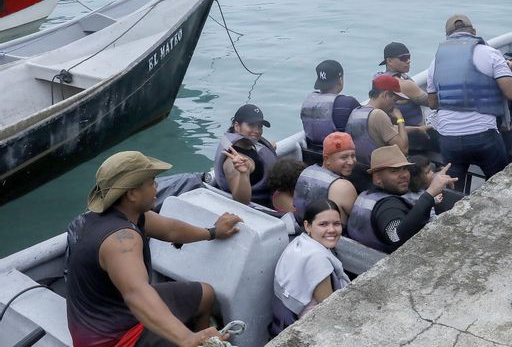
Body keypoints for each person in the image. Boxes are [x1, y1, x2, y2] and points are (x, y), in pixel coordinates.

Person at [66, 151, 241, 347]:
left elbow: (172, 230)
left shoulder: (127, 214)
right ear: (132, 193)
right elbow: (137, 293)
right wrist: (187, 338)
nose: (157, 186)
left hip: (121, 312)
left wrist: (213, 232)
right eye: (152, 182)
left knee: (205, 295)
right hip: (115, 339)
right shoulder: (121, 240)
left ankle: (204, 340)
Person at [426, 14, 512, 191]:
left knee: (453, 190)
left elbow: (432, 103)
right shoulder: (490, 53)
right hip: (484, 135)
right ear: (474, 32)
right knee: (499, 183)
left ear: (447, 37)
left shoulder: (435, 62)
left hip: (449, 138)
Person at [347, 146, 455, 253]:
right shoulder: (387, 205)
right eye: (394, 171)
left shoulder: (365, 195)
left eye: (405, 169)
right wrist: (429, 194)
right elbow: (395, 236)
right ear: (377, 178)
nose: (404, 175)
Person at [269, 199, 350, 337]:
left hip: (281, 324)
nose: (331, 230)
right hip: (310, 330)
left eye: (336, 224)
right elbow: (329, 310)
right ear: (307, 226)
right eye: (323, 224)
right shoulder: (317, 260)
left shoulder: (299, 242)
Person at [212, 104, 277, 207]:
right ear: (237, 126)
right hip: (261, 208)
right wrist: (243, 173)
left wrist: (269, 147)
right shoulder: (233, 162)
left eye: (259, 126)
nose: (257, 131)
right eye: (251, 125)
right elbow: (241, 201)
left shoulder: (246, 143)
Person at [375, 42, 434, 150]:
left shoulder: (378, 78)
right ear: (389, 61)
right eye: (403, 58)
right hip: (414, 137)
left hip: (393, 135)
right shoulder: (404, 84)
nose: (408, 61)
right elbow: (433, 103)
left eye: (409, 57)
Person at [292, 132, 359, 224]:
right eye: (344, 157)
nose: (351, 162)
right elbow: (358, 222)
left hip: (303, 228)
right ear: (327, 159)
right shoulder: (343, 186)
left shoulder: (306, 172)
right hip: (333, 236)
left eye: (353, 156)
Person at [345, 75, 409, 165]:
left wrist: (418, 129)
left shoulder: (356, 111)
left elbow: (384, 130)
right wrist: (400, 119)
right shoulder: (379, 115)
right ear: (386, 95)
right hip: (378, 169)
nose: (395, 105)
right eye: (394, 100)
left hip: (359, 167)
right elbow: (404, 150)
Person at [300, 59, 361, 151]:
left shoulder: (307, 102)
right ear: (340, 80)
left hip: (313, 157)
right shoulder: (348, 103)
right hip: (342, 157)